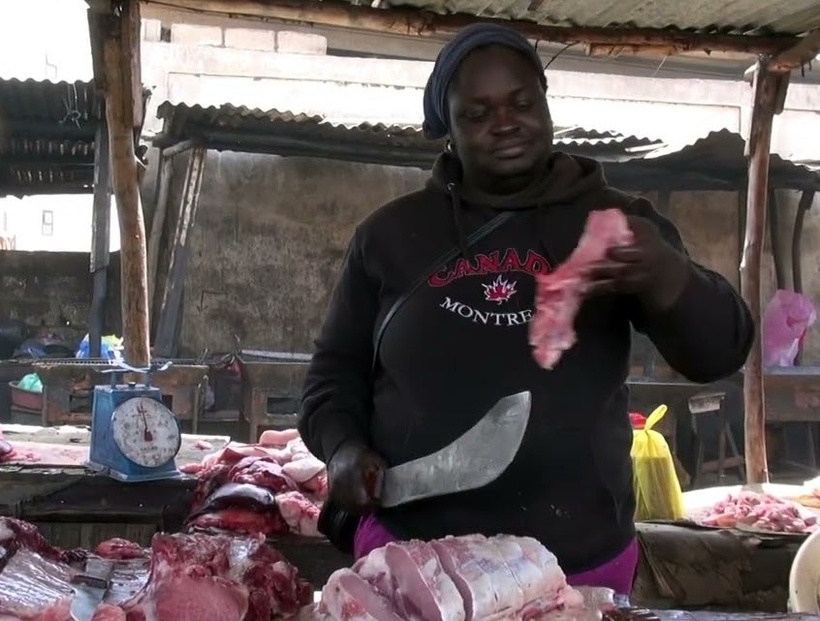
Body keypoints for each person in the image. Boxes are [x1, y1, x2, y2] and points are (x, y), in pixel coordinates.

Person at [298, 23, 753, 595]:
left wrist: (668, 277)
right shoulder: (390, 236)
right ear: (448, 130)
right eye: (477, 113)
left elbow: (721, 350)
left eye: (521, 102)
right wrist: (340, 446)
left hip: (578, 560)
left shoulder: (614, 224)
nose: (505, 122)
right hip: (415, 558)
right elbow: (333, 375)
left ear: (544, 102)